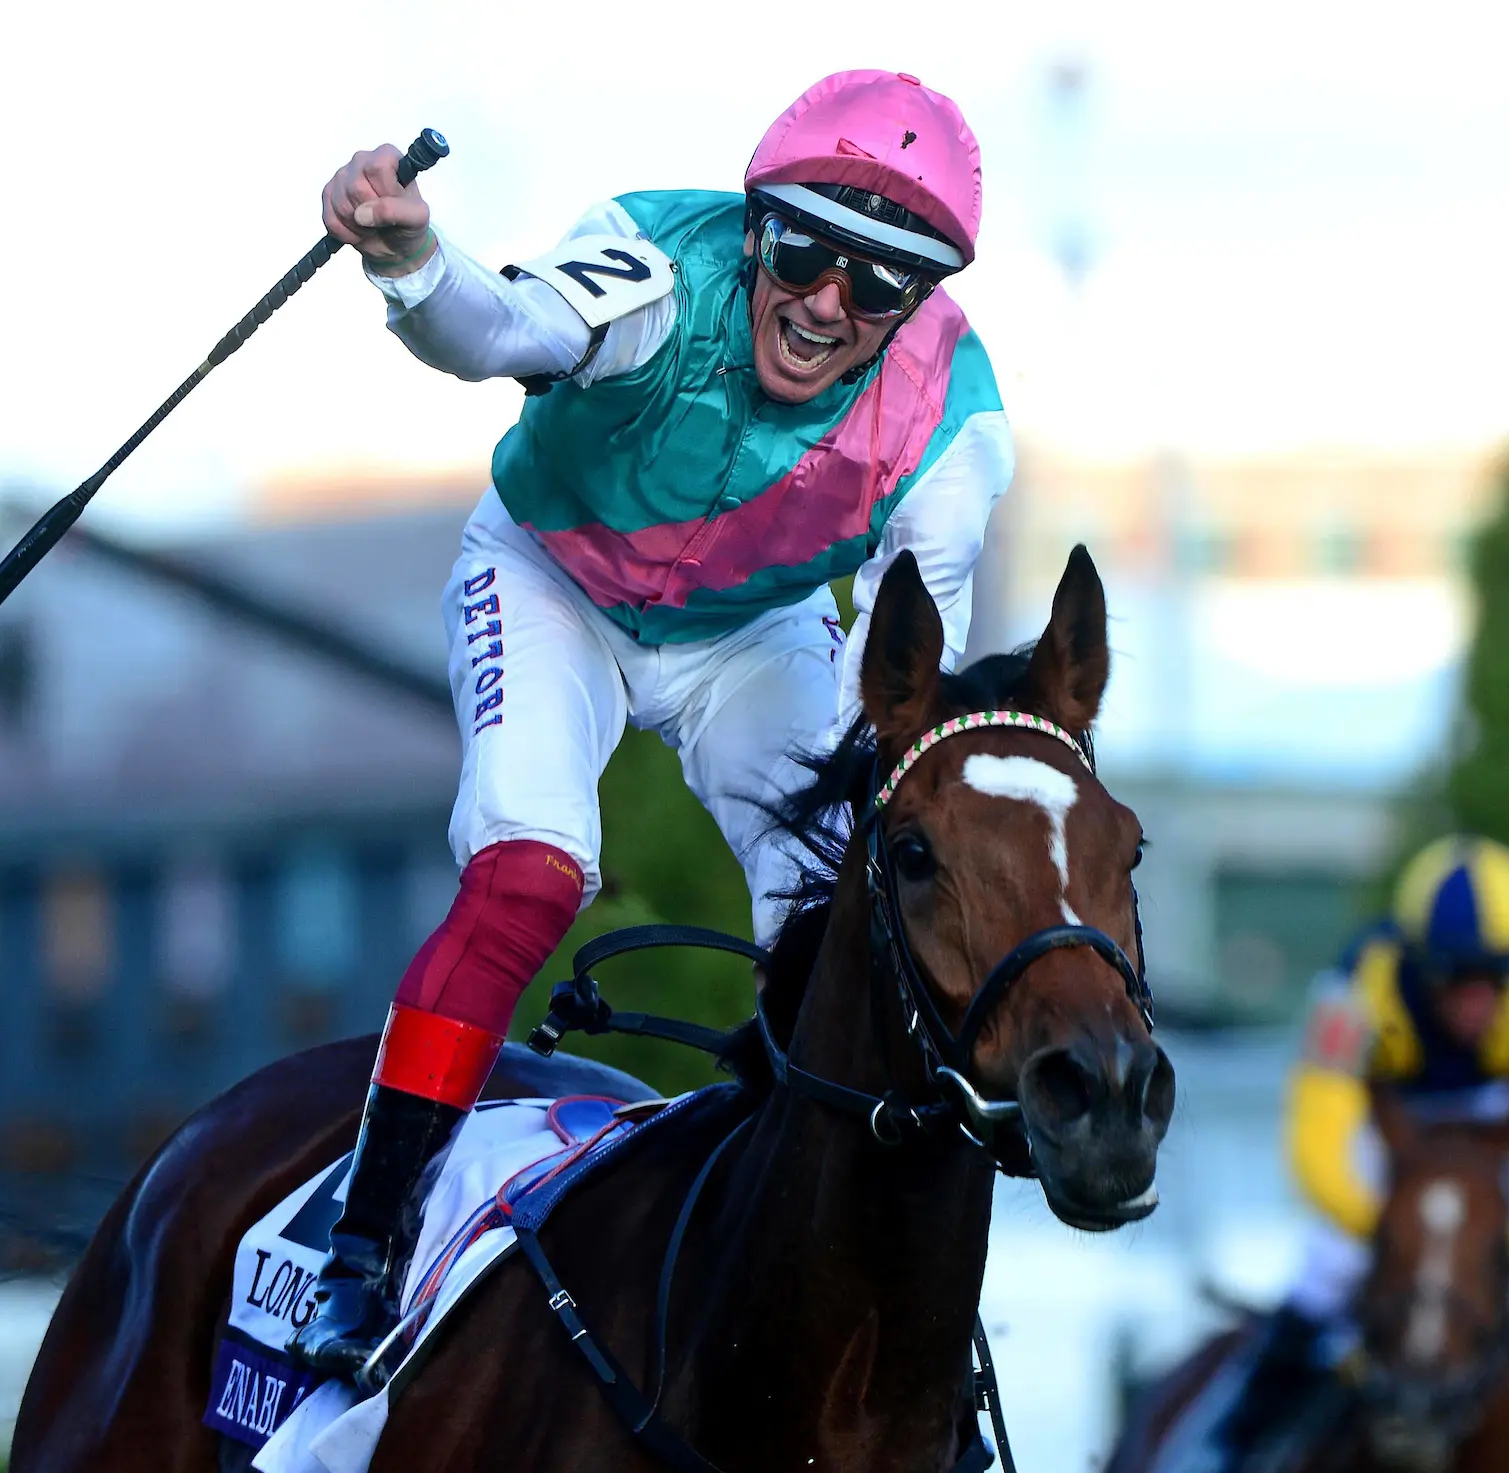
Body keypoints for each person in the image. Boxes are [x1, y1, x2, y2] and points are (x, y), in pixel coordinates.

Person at [294, 71, 1013, 1381]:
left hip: (750, 630)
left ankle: (829, 1250)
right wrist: (408, 260)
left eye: (877, 286)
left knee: (842, 904)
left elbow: (908, 667)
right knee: (529, 875)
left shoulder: (954, 421)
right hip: (551, 583)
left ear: (919, 302)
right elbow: (499, 329)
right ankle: (366, 1237)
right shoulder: (659, 271)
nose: (827, 305)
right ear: (754, 228)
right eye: (804, 254)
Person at [1201, 835, 1509, 1473]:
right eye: (1455, 978)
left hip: (1493, 1161)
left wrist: (1502, 1247)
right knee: (1326, 1272)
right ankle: (1236, 1456)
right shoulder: (1355, 993)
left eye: (1495, 981)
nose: (1476, 1003)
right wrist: (1393, 1235)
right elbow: (1317, 1139)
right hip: (1389, 1150)